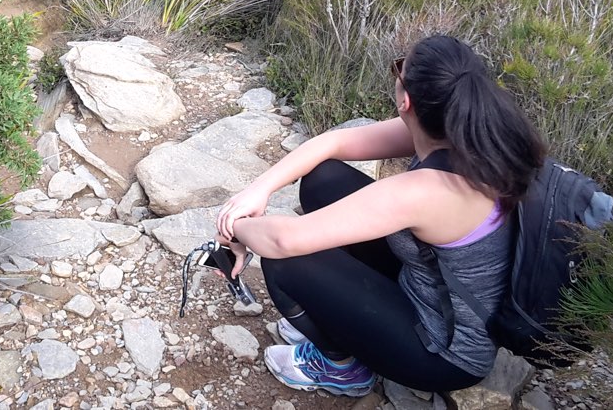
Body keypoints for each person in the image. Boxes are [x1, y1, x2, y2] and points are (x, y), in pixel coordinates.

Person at [215, 35, 546, 397]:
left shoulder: (426, 191)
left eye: (399, 67)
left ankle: (342, 367)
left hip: (446, 353)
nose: (396, 70)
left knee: (286, 263)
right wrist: (257, 191)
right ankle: (335, 312)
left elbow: (283, 240)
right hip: (435, 285)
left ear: (406, 101)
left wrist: (236, 230)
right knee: (324, 179)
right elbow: (332, 143)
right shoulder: (472, 134)